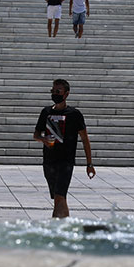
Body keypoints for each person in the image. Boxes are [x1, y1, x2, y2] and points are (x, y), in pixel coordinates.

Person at [33, 79, 95, 218]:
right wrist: (43, 139)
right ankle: (63, 225)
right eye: (53, 91)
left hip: (65, 161)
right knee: (58, 197)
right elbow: (36, 134)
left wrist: (89, 164)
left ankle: (58, 226)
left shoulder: (74, 114)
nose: (55, 94)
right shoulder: (46, 112)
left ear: (66, 94)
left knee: (60, 195)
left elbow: (85, 139)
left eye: (58, 91)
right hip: (49, 161)